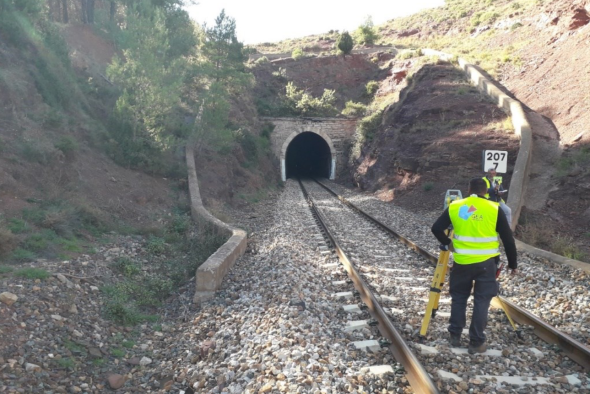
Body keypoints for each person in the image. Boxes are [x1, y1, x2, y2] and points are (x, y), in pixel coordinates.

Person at [431, 177, 518, 354]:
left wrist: (448, 243)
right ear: (486, 191)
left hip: (462, 262)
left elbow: (436, 228)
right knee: (482, 300)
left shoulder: (457, 206)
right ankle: (476, 342)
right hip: (486, 264)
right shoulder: (494, 208)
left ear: (468, 189)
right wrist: (512, 263)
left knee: (459, 297)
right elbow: (508, 239)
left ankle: (454, 335)